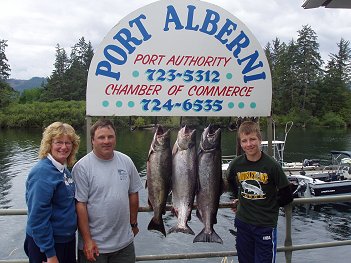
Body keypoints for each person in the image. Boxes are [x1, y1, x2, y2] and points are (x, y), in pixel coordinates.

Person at [72, 119, 143, 263]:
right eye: (101, 137)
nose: (106, 141)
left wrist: (133, 223)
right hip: (95, 247)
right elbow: (80, 205)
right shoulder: (82, 167)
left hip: (125, 245)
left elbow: (133, 193)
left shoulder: (126, 161)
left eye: (110, 137)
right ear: (92, 140)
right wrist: (87, 240)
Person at [227, 120, 293, 263]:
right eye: (244, 141)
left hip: (265, 226)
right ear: (240, 143)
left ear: (260, 140)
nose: (249, 144)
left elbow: (287, 195)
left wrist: (270, 205)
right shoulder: (236, 164)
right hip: (243, 223)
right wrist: (238, 197)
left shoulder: (272, 165)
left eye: (252, 139)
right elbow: (230, 182)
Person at [24, 121, 80, 263]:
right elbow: (37, 217)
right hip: (48, 246)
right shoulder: (42, 173)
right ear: (49, 144)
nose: (64, 147)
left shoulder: (63, 170)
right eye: (58, 142)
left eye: (68, 143)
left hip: (65, 241)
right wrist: (50, 254)